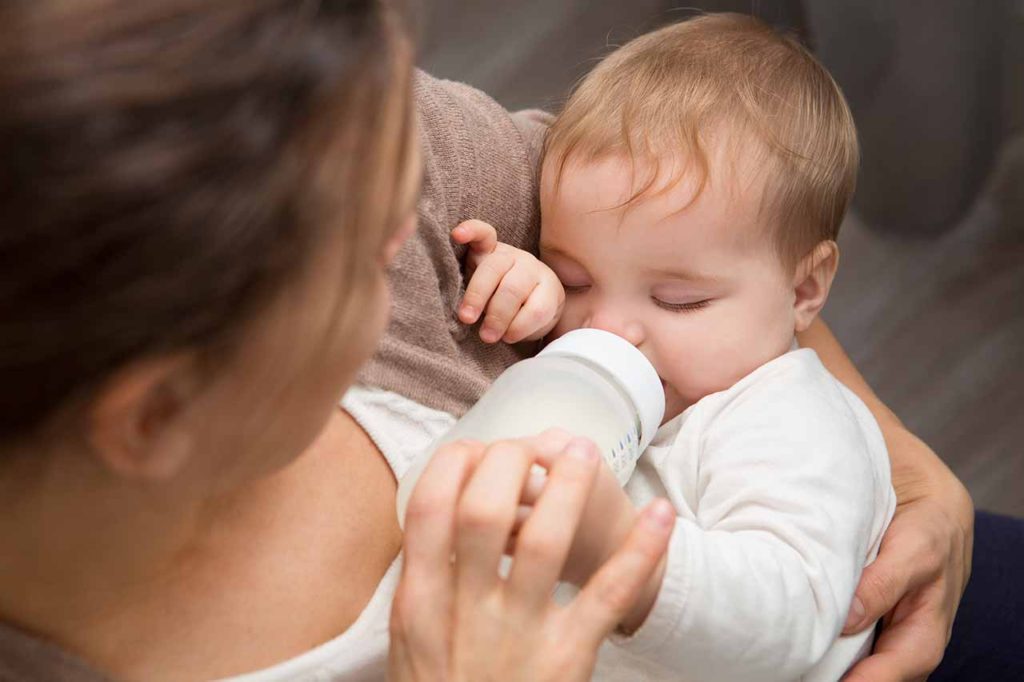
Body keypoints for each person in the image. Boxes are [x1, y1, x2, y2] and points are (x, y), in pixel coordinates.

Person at [0, 1, 673, 680]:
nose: (407, 230)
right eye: (367, 261)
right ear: (157, 416)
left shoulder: (342, 121)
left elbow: (692, 180)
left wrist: (584, 280)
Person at [448, 13, 896, 680]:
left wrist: (622, 553)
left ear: (803, 289)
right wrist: (526, 290)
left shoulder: (789, 425)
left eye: (677, 301)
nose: (606, 329)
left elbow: (791, 616)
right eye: (576, 277)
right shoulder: (612, 356)